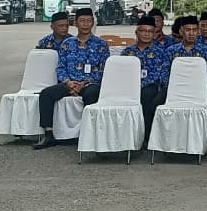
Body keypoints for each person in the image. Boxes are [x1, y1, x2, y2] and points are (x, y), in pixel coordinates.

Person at [34, 8, 111, 150]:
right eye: (82, 21)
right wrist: (68, 82)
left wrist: (84, 83)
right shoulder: (67, 44)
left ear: (93, 23)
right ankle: (49, 134)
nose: (85, 24)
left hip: (90, 84)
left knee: (92, 94)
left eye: (89, 21)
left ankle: (88, 135)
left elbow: (104, 70)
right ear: (75, 23)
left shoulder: (101, 45)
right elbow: (60, 67)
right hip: (69, 83)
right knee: (46, 94)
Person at [120, 15, 172, 141]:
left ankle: (145, 136)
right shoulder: (127, 52)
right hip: (128, 87)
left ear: (154, 34)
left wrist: (140, 85)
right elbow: (121, 73)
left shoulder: (161, 52)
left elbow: (160, 74)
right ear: (136, 32)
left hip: (151, 87)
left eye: (150, 31)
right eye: (143, 31)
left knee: (146, 95)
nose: (146, 34)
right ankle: (126, 137)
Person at [166, 16, 207, 125]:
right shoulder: (171, 51)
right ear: (181, 31)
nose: (191, 33)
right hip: (176, 86)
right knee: (156, 102)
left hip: (199, 85)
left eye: (194, 30)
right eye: (188, 30)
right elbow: (165, 73)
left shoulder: (205, 50)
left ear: (198, 32)